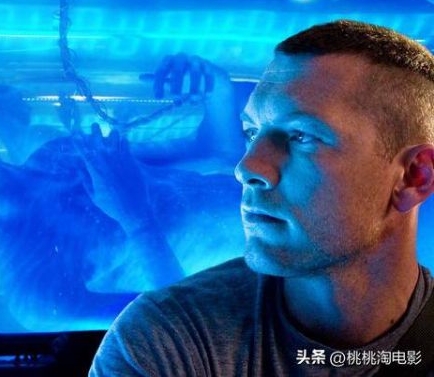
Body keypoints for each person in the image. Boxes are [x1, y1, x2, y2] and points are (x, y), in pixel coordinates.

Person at [89, 19, 434, 376]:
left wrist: (138, 221)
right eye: (251, 132)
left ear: (414, 177)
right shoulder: (164, 340)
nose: (246, 167)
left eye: (302, 136)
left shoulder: (181, 338)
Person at [0, 53, 247, 330]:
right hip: (278, 277)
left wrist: (216, 89)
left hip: (281, 194)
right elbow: (184, 333)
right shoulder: (33, 289)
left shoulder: (59, 152)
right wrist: (136, 218)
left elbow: (218, 154)